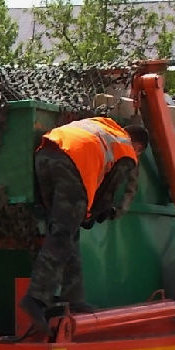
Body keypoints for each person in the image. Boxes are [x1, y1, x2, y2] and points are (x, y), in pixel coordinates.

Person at [19, 118, 150, 335]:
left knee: (68, 232)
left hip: (45, 154)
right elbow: (110, 189)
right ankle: (36, 298)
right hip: (71, 166)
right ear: (138, 146)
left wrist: (87, 213)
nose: (136, 157)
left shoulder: (105, 124)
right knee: (62, 236)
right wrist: (101, 211)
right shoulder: (125, 149)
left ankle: (75, 299)